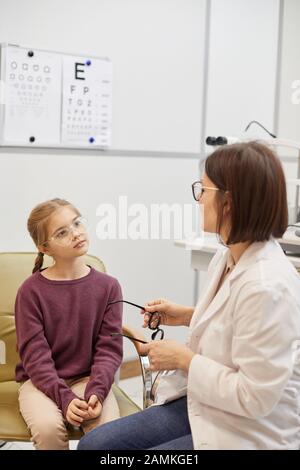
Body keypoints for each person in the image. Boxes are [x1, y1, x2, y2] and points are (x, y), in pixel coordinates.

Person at [78, 142, 300, 451]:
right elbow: (237, 323)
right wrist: (184, 315)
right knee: (94, 445)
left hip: (250, 428)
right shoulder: (228, 257)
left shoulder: (267, 285)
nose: (198, 200)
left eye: (204, 191)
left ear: (228, 203)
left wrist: (183, 359)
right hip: (208, 404)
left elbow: (255, 398)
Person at [15, 198, 123, 450]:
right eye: (62, 232)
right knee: (48, 430)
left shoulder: (109, 286)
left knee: (108, 436)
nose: (75, 233)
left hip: (89, 378)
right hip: (39, 382)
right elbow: (35, 358)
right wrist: (64, 398)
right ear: (45, 247)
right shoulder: (31, 291)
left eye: (76, 223)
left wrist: (97, 390)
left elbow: (109, 349)